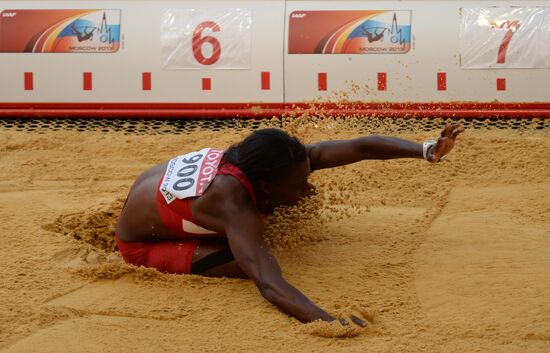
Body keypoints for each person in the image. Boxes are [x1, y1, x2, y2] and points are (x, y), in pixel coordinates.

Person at [115, 123, 463, 325]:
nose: (307, 189)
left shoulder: (276, 160)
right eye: (297, 185)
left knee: (272, 223)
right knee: (250, 260)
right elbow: (269, 284)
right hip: (142, 245)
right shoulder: (236, 208)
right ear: (264, 185)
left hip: (151, 195)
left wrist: (425, 149)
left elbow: (361, 148)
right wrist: (329, 322)